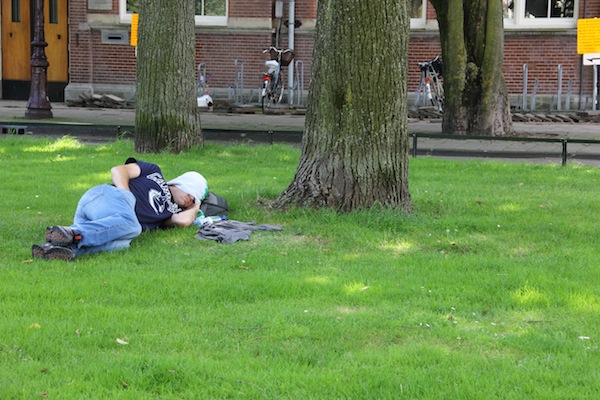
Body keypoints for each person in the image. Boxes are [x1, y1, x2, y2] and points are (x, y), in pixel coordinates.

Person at [32, 157, 208, 261]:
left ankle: (56, 248)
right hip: (104, 197)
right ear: (182, 182)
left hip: (106, 222)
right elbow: (118, 170)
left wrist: (197, 206)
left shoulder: (170, 213)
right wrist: (127, 197)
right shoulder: (154, 172)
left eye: (194, 199)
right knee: (134, 228)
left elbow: (183, 221)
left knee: (121, 244)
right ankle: (75, 233)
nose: (191, 199)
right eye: (192, 192)